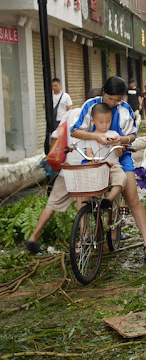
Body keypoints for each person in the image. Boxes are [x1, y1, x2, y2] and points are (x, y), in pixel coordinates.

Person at [69, 77, 146, 263]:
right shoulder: (90, 106)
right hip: (93, 156)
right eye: (110, 99)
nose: (113, 103)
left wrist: (121, 141)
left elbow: (132, 135)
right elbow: (75, 131)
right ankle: (83, 237)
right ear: (103, 92)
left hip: (120, 157)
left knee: (132, 197)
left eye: (117, 100)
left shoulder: (124, 109)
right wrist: (95, 136)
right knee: (82, 195)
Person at [24, 89, 102, 254]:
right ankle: (83, 240)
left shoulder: (71, 113)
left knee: (52, 204)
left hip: (67, 168)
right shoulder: (97, 117)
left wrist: (56, 158)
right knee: (83, 201)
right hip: (83, 166)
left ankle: (34, 236)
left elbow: (55, 136)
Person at [81, 103, 127, 210]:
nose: (105, 125)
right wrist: (93, 161)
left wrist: (116, 145)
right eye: (101, 122)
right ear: (93, 121)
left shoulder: (114, 134)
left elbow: (119, 154)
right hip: (98, 167)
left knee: (122, 177)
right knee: (88, 181)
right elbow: (89, 153)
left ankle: (108, 200)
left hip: (113, 166)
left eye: (108, 121)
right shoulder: (90, 137)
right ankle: (94, 202)